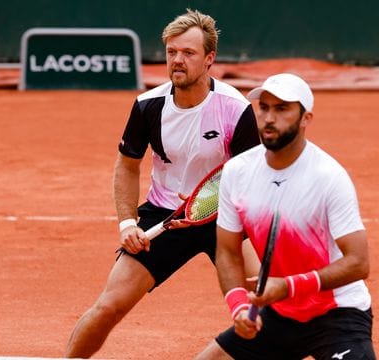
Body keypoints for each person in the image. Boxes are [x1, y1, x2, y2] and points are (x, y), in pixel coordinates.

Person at [64, 9, 260, 358]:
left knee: (265, 304)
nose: (178, 61)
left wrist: (221, 202)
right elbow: (126, 166)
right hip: (163, 214)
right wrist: (127, 223)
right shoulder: (147, 106)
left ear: (209, 59)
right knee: (110, 305)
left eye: (188, 53)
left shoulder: (235, 108)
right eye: (172, 53)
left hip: (226, 215)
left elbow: (255, 176)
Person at [195, 73, 376, 360]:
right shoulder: (237, 171)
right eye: (264, 107)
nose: (269, 117)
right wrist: (239, 306)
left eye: (282, 109)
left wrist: (288, 286)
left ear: (306, 119)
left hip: (336, 314)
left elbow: (358, 262)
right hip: (278, 314)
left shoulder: (328, 177)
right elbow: (228, 252)